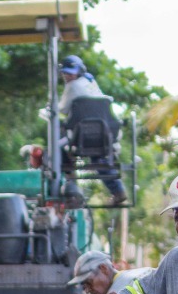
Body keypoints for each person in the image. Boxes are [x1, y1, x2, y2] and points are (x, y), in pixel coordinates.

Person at [42, 54, 127, 204]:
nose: (68, 75)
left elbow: (61, 110)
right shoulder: (91, 82)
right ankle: (118, 190)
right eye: (65, 72)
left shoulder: (72, 86)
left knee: (57, 146)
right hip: (103, 135)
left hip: (82, 137)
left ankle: (69, 182)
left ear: (79, 71)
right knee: (99, 157)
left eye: (71, 72)